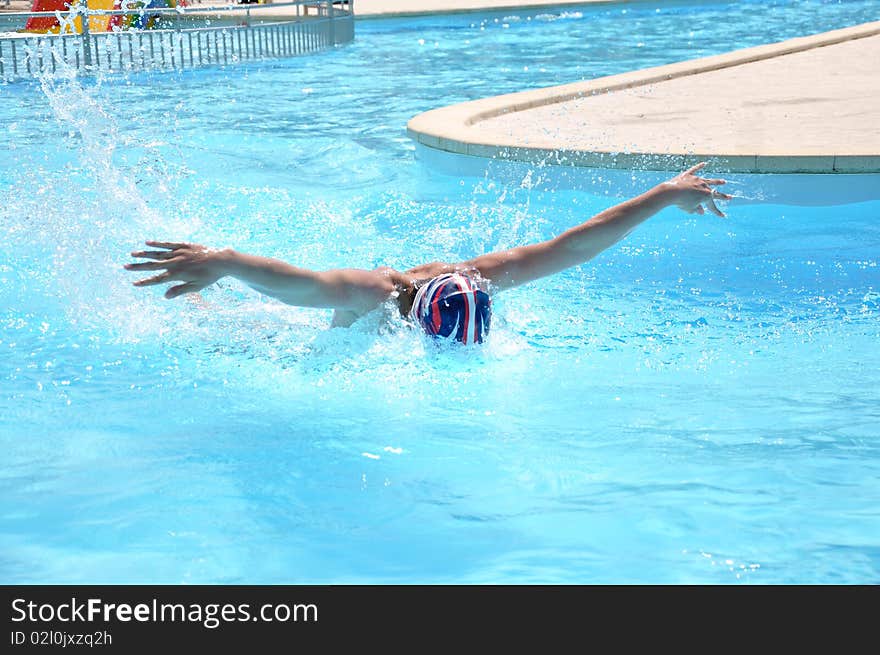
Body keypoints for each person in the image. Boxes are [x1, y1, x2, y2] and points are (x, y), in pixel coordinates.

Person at [125, 163, 732, 345]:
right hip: (303, 337)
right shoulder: (375, 295)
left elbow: (571, 245)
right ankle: (203, 307)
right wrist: (226, 261)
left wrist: (663, 194)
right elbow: (305, 286)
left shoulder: (477, 279)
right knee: (236, 330)